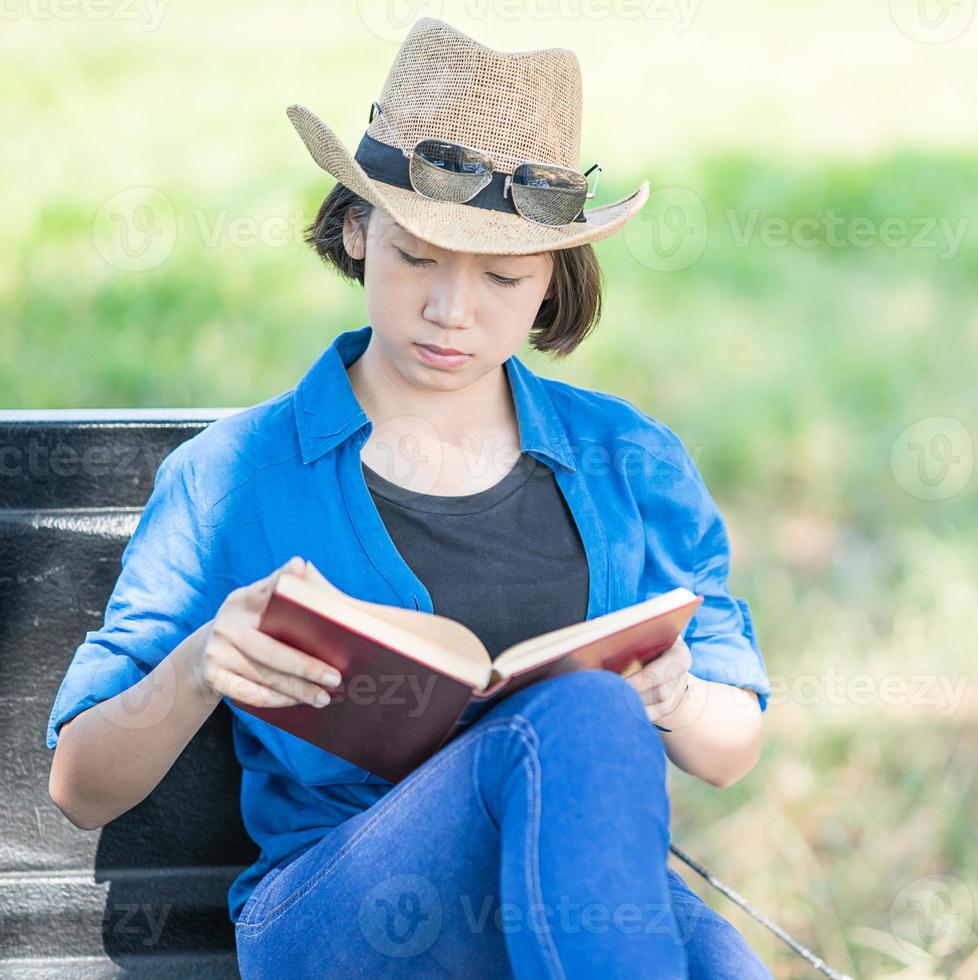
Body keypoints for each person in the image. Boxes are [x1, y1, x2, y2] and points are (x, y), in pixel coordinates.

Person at [45, 18, 773, 978]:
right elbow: (79, 786)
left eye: (504, 277)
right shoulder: (234, 477)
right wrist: (200, 664)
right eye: (417, 256)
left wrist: (675, 696)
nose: (450, 311)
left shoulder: (628, 458)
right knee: (588, 721)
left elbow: (728, 750)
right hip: (342, 915)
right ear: (356, 226)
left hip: (580, 891)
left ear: (554, 278)